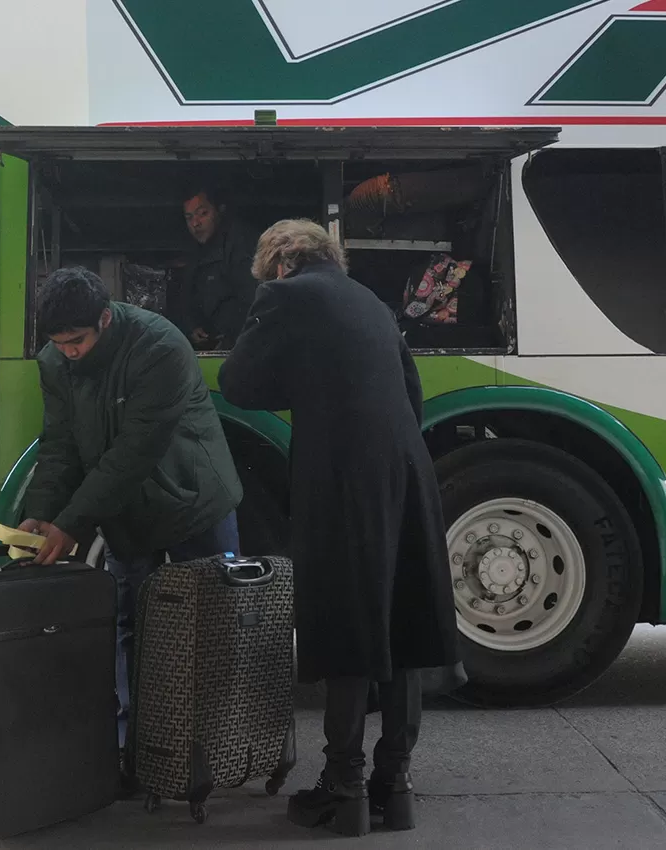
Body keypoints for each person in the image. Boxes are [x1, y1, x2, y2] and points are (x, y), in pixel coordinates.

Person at [219, 220, 462, 836]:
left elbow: (239, 384)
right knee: (402, 619)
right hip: (406, 469)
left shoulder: (284, 294)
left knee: (348, 620)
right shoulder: (371, 302)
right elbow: (410, 386)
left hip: (344, 475)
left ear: (279, 265)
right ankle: (395, 782)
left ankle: (344, 787)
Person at [17, 266, 244, 770]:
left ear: (105, 318)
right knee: (126, 622)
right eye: (58, 343)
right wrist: (41, 514)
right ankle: (132, 750)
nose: (68, 352)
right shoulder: (55, 360)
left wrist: (72, 523)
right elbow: (60, 445)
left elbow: (134, 452)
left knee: (211, 623)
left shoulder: (160, 345)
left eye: (76, 341)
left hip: (193, 498)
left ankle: (207, 750)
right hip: (124, 506)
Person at [169, 185, 259, 351]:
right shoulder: (195, 250)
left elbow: (252, 300)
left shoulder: (241, 244)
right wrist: (192, 327)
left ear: (220, 211)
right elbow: (185, 296)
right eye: (189, 218)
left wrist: (233, 338)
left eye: (203, 213)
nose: (195, 223)